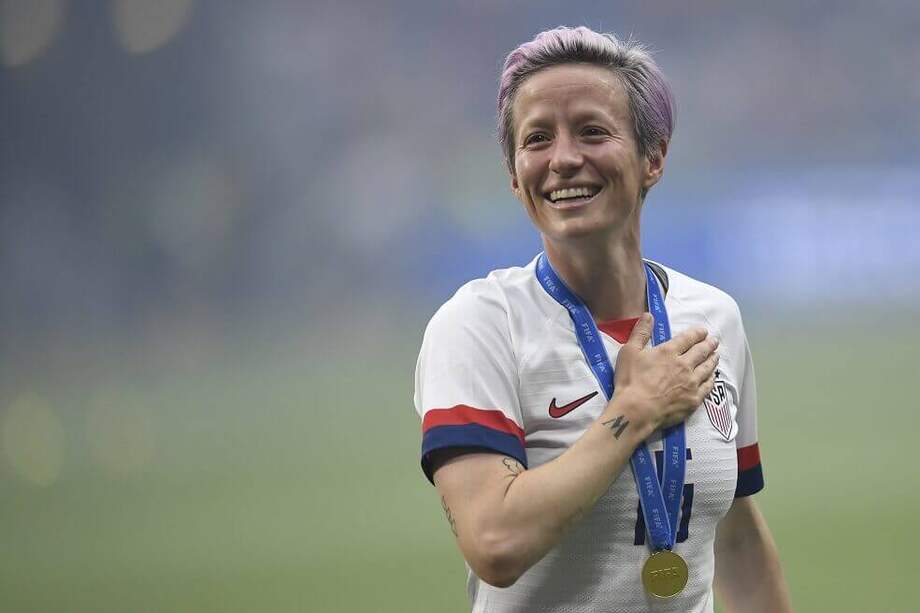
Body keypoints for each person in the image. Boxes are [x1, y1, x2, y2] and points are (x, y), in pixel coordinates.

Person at [413, 26, 792, 612]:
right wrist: (632, 414)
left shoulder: (713, 319)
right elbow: (495, 542)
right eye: (537, 138)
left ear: (653, 158)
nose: (563, 159)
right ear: (516, 176)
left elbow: (736, 540)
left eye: (592, 131)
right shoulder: (479, 325)